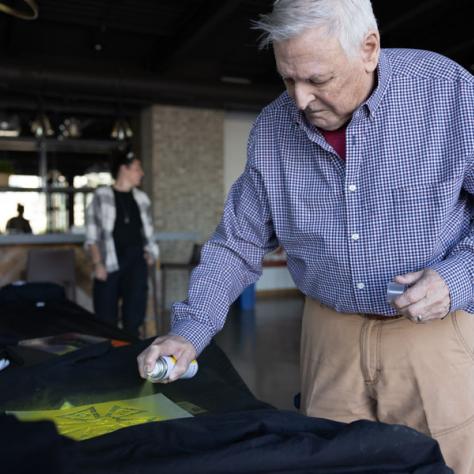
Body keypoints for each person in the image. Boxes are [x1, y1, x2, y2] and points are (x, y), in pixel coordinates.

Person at [137, 1, 474, 471]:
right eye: (287, 79)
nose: (300, 100)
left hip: (434, 332)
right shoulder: (273, 129)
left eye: (317, 80)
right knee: (331, 460)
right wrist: (189, 331)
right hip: (328, 334)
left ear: (368, 50)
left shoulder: (449, 93)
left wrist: (459, 277)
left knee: (447, 461)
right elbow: (238, 243)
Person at [85, 150, 159, 337]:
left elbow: (148, 232)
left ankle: (130, 358)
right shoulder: (102, 195)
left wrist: (150, 253)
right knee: (105, 318)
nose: (141, 173)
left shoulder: (142, 199)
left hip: (136, 261)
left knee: (134, 318)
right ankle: (106, 360)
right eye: (137, 168)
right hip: (109, 261)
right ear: (123, 169)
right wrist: (97, 263)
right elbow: (92, 234)